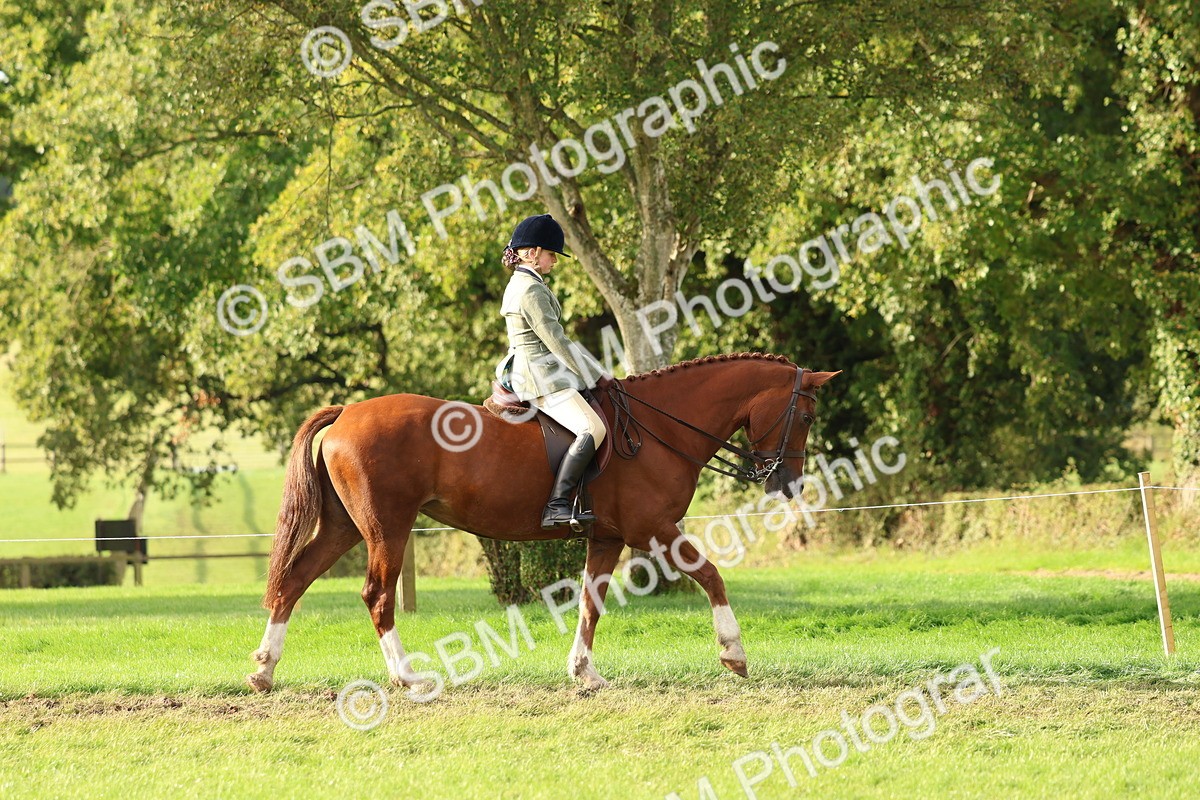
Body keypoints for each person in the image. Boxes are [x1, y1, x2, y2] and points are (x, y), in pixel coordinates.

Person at [499, 214, 607, 529]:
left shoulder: (526, 282)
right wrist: (594, 377)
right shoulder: (530, 290)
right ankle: (557, 505)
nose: (554, 261)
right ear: (531, 252)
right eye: (551, 254)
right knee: (593, 429)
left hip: (535, 367)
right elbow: (556, 341)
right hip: (539, 374)